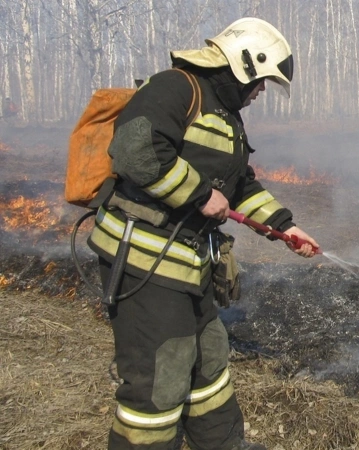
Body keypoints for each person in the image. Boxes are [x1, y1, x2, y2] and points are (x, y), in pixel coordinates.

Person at [86, 17, 317, 450]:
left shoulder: (225, 115)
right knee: (159, 381)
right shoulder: (175, 88)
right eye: (261, 81)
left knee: (209, 363)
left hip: (189, 267)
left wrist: (285, 227)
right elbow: (134, 149)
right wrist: (196, 194)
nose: (261, 91)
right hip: (146, 264)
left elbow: (238, 183)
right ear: (244, 64)